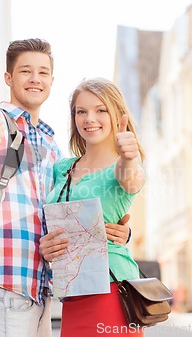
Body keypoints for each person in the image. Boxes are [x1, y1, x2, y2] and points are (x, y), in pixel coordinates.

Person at [0, 39, 130, 337]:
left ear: (51, 81)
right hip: (8, 280)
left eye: (43, 72)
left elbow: (67, 211)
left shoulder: (51, 146)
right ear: (8, 78)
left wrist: (119, 231)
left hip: (45, 287)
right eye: (25, 71)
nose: (35, 79)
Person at [40, 78, 146, 336]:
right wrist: (45, 244)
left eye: (101, 110)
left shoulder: (122, 166)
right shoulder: (62, 168)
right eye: (81, 111)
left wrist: (129, 157)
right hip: (72, 291)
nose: (90, 118)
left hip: (110, 289)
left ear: (116, 115)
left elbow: (131, 179)